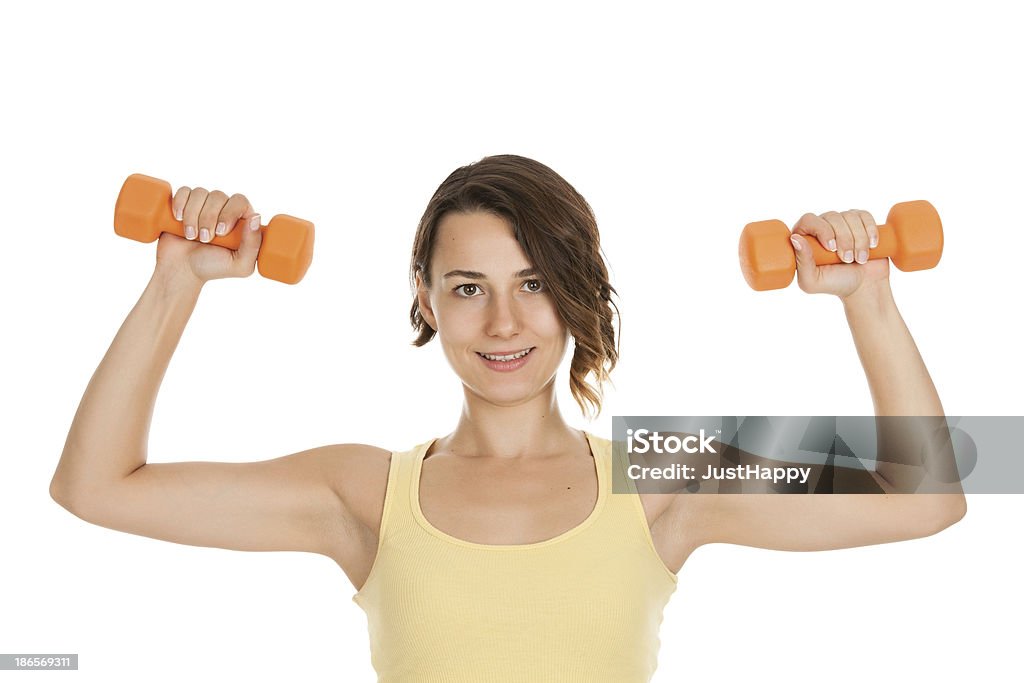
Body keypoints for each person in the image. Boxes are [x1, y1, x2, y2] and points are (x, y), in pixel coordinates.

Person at [49, 154, 967, 682]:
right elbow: (94, 487)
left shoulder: (666, 473)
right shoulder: (364, 488)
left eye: (534, 284)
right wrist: (175, 282)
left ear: (575, 295)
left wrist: (867, 297)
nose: (503, 322)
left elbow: (929, 491)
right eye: (468, 287)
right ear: (427, 300)